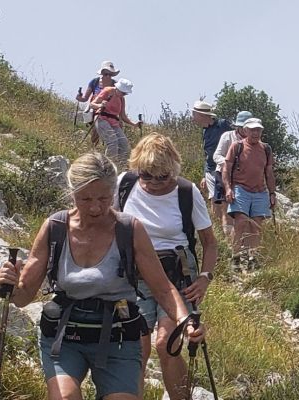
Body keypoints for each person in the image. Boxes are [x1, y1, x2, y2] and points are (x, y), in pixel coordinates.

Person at [0, 153, 203, 400]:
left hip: (119, 337)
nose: (95, 207)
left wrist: (186, 321)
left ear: (113, 192)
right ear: (71, 192)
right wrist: (10, 282)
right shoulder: (55, 228)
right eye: (85, 198)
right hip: (65, 337)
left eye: (104, 198)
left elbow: (163, 289)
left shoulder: (130, 229)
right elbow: (21, 298)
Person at [116, 134, 218, 400]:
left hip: (178, 275)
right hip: (134, 275)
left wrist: (205, 277)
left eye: (163, 177)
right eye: (147, 175)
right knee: (136, 348)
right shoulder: (125, 185)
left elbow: (209, 242)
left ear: (173, 170)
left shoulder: (186, 192)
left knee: (166, 344)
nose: (154, 183)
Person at [219, 118, 277, 268]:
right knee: (240, 222)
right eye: (252, 130)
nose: (256, 133)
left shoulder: (266, 149)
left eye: (258, 130)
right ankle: (236, 258)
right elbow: (226, 168)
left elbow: (269, 173)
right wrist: (228, 189)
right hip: (240, 189)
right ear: (245, 131)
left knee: (256, 225)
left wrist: (272, 193)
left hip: (260, 191)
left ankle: (253, 259)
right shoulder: (236, 146)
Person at [89, 78, 143, 167]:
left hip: (114, 122)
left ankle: (120, 167)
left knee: (124, 145)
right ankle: (108, 167)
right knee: (112, 142)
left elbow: (123, 116)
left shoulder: (121, 99)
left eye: (125, 93)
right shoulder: (107, 91)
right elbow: (92, 104)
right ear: (118, 89)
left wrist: (134, 124)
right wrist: (100, 105)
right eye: (123, 92)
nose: (124, 95)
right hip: (101, 119)